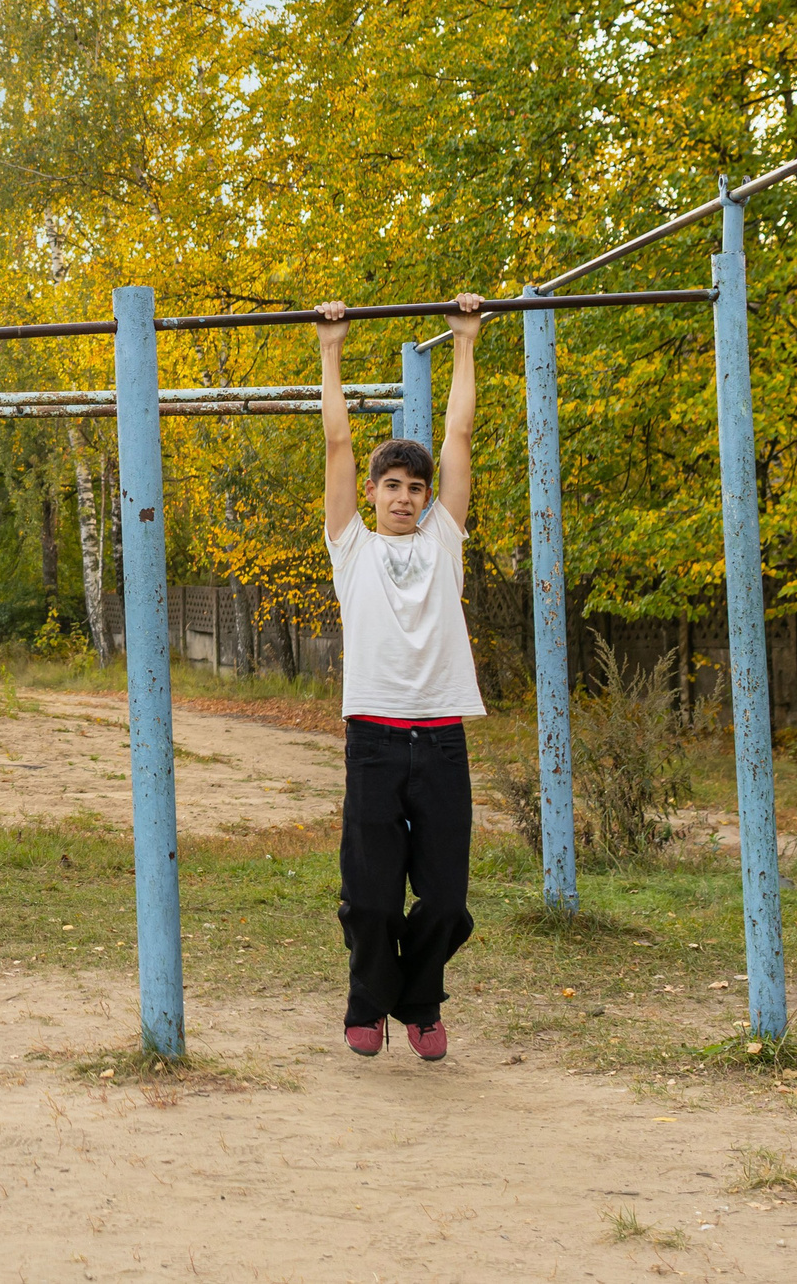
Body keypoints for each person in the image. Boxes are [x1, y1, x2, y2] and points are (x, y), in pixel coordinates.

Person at [316, 293, 487, 1061]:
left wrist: (464, 342)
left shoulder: (445, 538)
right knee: (374, 894)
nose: (406, 496)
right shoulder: (350, 547)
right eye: (394, 486)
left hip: (442, 737)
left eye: (415, 487)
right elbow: (338, 447)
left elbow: (458, 434)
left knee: (445, 899)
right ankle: (368, 999)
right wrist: (331, 350)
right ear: (376, 494)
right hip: (376, 737)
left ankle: (417, 998)